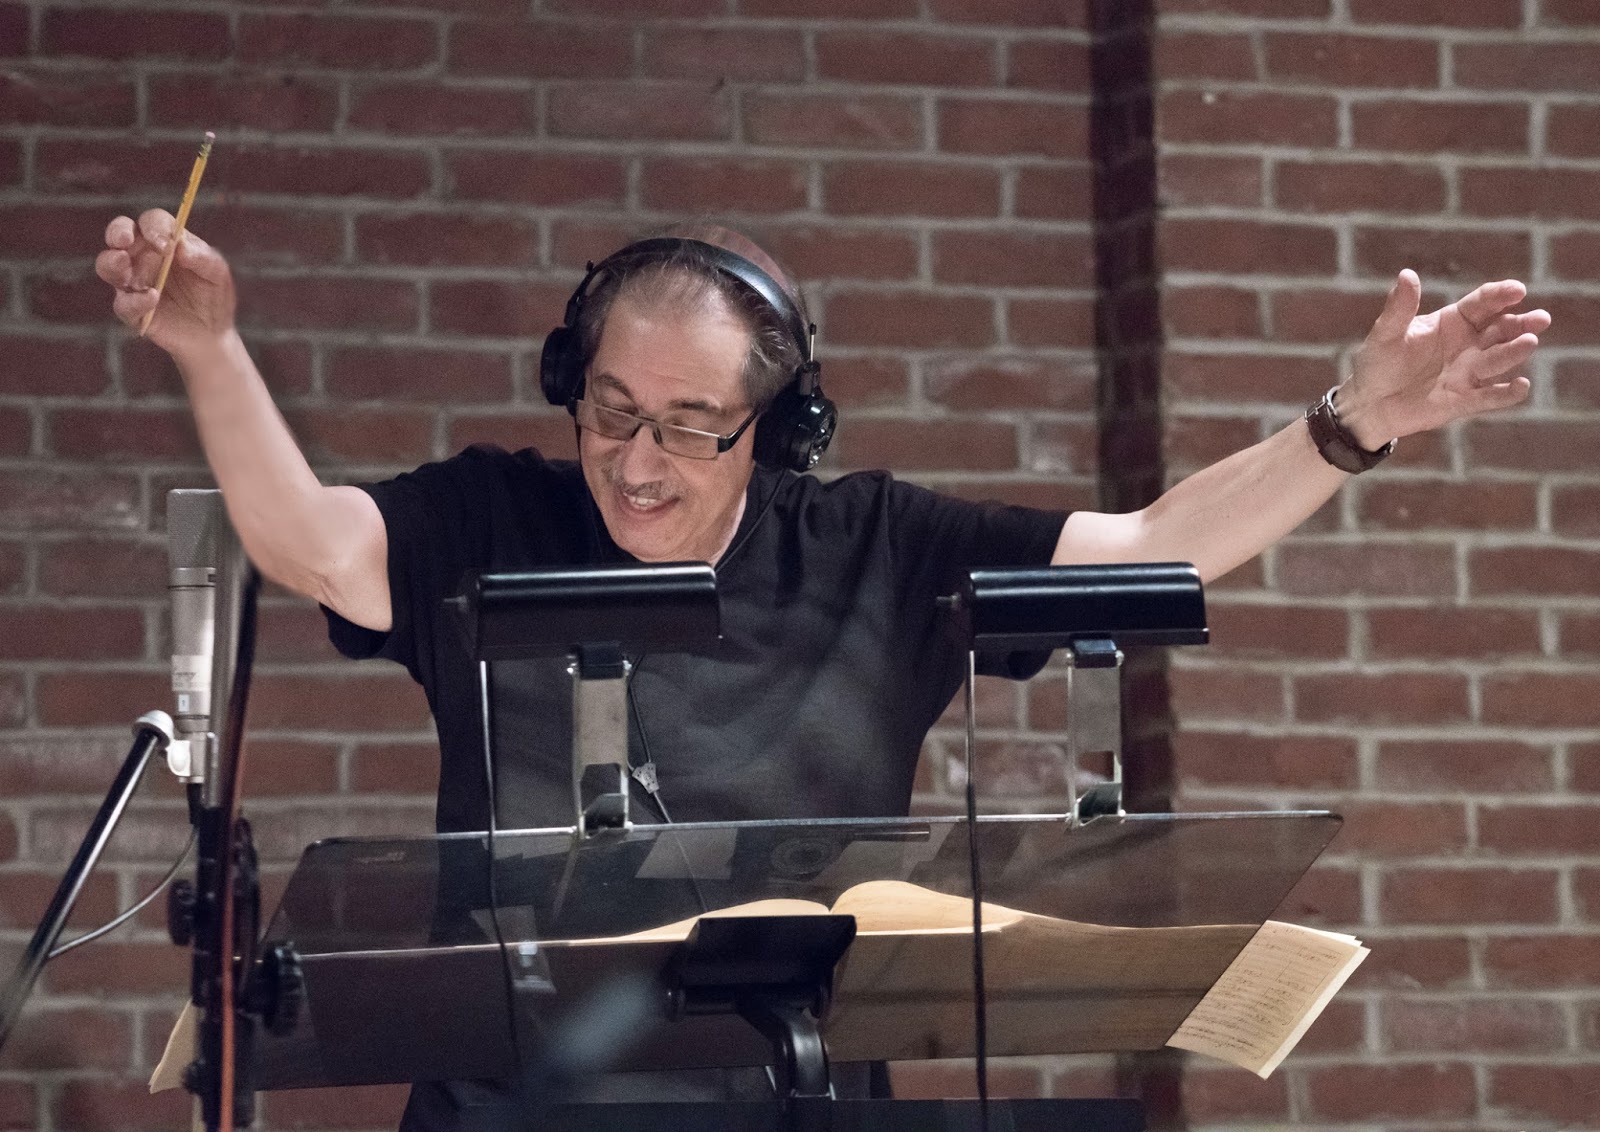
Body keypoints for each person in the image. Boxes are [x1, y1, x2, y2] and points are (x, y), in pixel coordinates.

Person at [96, 209, 1547, 1128]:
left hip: (800, 1102)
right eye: (608, 410)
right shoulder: (490, 517)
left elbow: (1152, 548)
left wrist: (1351, 426)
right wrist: (211, 351)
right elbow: (310, 543)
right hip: (514, 1106)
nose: (638, 461)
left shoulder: (877, 549)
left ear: (779, 433)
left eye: (690, 425)